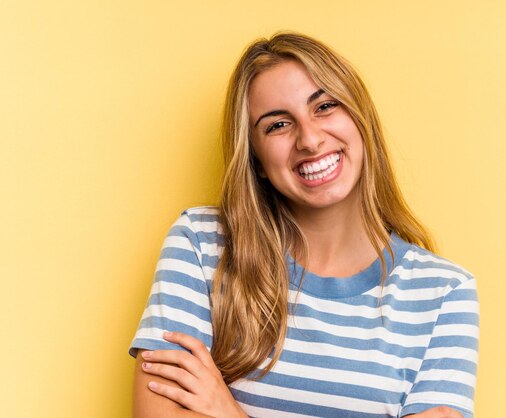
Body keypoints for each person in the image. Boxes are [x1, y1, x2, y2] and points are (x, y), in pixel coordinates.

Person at [130, 32, 479, 418]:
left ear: (361, 119)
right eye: (278, 125)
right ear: (257, 160)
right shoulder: (201, 245)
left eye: (325, 106)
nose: (310, 140)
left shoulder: (444, 293)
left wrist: (230, 413)